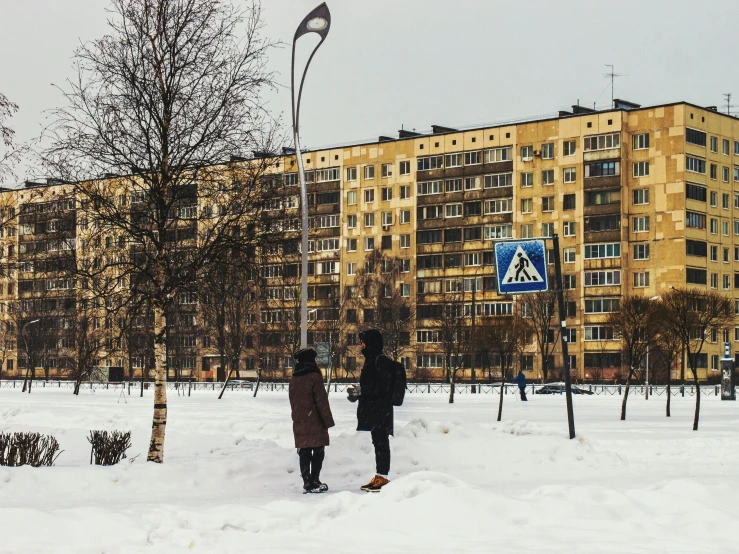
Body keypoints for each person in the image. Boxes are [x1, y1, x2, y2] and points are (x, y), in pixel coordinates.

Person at [348, 328, 393, 492]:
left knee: (381, 443)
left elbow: (382, 387)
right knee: (378, 442)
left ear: (371, 344)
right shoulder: (371, 360)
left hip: (381, 411)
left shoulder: (380, 361)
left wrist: (362, 391)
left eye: (363, 342)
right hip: (375, 411)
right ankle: (380, 475)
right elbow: (372, 386)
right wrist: (357, 394)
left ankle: (383, 476)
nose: (361, 345)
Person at [289, 347, 335, 494]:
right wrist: (328, 421)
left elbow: (293, 401)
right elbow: (322, 401)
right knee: (318, 450)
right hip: (315, 420)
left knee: (304, 451)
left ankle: (307, 481)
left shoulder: (294, 378)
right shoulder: (315, 377)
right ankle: (315, 479)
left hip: (300, 420)